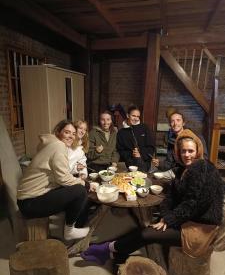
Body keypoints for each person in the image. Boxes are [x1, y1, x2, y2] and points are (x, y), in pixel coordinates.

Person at [81, 129, 224, 265]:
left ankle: (107, 249)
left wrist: (169, 219)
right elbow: (170, 197)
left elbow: (194, 205)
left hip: (199, 227)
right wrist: (165, 216)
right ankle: (116, 253)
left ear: (198, 150)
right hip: (185, 218)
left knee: (146, 234)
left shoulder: (203, 168)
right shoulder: (182, 170)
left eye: (191, 151)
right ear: (178, 153)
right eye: (183, 151)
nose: (187, 155)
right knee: (149, 226)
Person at [17, 120, 92, 241]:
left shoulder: (52, 144)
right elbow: (63, 179)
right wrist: (84, 183)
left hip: (30, 197)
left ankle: (73, 223)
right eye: (67, 132)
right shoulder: (59, 146)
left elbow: (60, 176)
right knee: (80, 191)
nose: (71, 136)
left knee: (77, 189)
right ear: (58, 132)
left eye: (73, 133)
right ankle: (70, 230)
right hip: (30, 202)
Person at [117, 105, 155, 172]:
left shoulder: (144, 128)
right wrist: (131, 154)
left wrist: (141, 153)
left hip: (145, 163)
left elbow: (151, 146)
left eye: (138, 116)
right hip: (130, 165)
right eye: (133, 116)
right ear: (128, 115)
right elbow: (121, 150)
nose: (136, 118)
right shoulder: (121, 132)